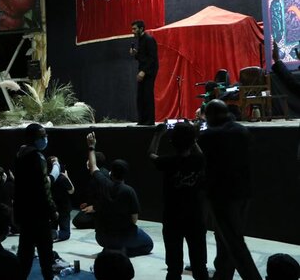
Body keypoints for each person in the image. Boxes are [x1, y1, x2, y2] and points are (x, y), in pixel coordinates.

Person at [198, 100, 262, 280]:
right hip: (243, 192)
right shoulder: (242, 131)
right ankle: (223, 275)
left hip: (221, 195)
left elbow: (200, 160)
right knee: (227, 238)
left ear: (209, 116)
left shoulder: (208, 136)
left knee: (233, 241)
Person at [148, 122, 208, 280]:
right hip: (195, 218)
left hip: (172, 218)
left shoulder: (167, 162)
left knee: (173, 268)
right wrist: (192, 138)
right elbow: (200, 154)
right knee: (200, 266)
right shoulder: (199, 161)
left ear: (172, 142)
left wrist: (157, 134)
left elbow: (151, 154)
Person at [86, 131, 153, 257]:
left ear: (110, 173)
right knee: (148, 244)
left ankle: (111, 249)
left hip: (102, 238)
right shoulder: (129, 191)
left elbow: (93, 166)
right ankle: (121, 252)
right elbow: (134, 220)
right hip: (123, 237)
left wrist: (91, 146)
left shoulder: (102, 182)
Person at [14, 123, 59, 280]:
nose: (45, 138)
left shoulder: (20, 155)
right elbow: (43, 187)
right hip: (39, 214)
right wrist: (52, 209)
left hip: (25, 214)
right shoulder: (37, 157)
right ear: (33, 138)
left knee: (24, 253)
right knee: (46, 253)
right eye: (42, 136)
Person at [129, 20, 159, 125]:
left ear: (141, 28)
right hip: (144, 69)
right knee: (140, 96)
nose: (133, 31)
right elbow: (143, 58)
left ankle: (150, 121)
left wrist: (143, 71)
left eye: (134, 29)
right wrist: (136, 54)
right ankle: (142, 120)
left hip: (149, 71)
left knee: (147, 95)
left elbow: (152, 58)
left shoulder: (149, 39)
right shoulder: (141, 40)